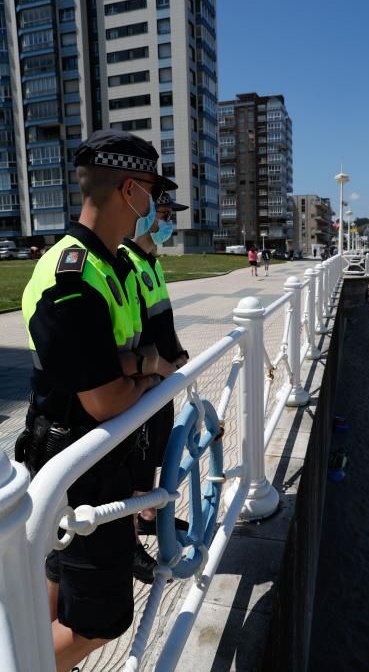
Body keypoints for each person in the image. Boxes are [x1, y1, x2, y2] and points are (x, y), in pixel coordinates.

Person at [16, 130, 176, 672]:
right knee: (99, 622)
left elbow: (131, 360)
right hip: (78, 467)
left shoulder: (110, 263)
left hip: (91, 463)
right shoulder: (73, 275)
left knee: (56, 585)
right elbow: (107, 400)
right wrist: (144, 376)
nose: (157, 203)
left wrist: (141, 368)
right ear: (130, 189)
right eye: (153, 188)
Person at [122, 191, 190, 582]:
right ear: (144, 217)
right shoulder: (128, 263)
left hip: (162, 379)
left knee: (152, 458)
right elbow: (136, 333)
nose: (169, 223)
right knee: (135, 464)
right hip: (146, 383)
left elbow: (162, 319)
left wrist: (177, 354)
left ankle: (148, 517)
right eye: (163, 215)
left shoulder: (151, 262)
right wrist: (159, 366)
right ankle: (130, 541)